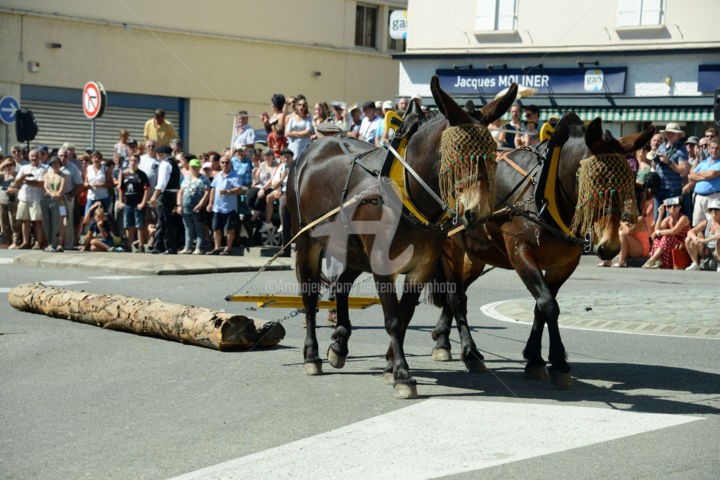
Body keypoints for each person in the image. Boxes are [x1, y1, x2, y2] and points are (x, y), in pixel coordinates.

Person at [206, 155, 245, 255]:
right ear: (220, 164)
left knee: (229, 229)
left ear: (230, 164)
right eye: (222, 162)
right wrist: (210, 203)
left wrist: (228, 191)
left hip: (229, 208)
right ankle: (217, 248)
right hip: (217, 207)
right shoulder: (218, 175)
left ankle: (228, 248)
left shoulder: (235, 175)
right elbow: (213, 190)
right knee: (216, 228)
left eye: (227, 162)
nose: (225, 164)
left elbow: (239, 189)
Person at [147, 145, 180, 254]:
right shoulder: (174, 163)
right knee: (164, 220)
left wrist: (154, 196)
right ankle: (159, 245)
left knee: (165, 221)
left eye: (157, 154)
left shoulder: (165, 164)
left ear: (161, 154)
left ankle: (169, 247)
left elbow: (161, 183)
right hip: (172, 195)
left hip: (165, 195)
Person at [653, 123, 689, 220]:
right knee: (657, 220)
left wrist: (668, 162)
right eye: (668, 132)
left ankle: (667, 235)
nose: (670, 134)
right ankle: (658, 235)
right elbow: (655, 166)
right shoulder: (661, 147)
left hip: (672, 191)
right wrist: (654, 160)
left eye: (673, 133)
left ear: (678, 135)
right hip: (659, 189)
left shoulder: (681, 150)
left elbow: (684, 171)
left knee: (670, 220)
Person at [642, 196, 690, 269]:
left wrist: (658, 232)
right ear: (667, 208)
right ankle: (658, 259)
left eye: (675, 205)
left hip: (681, 245)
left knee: (667, 237)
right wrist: (660, 214)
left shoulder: (683, 218)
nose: (672, 207)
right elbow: (657, 229)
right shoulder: (668, 219)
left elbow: (674, 231)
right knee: (658, 239)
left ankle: (652, 259)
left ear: (679, 207)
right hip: (671, 244)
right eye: (670, 206)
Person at [176, 158, 211, 254]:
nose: (194, 169)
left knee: (198, 227)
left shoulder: (204, 179)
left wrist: (200, 204)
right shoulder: (186, 178)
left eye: (196, 167)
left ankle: (198, 247)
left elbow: (207, 192)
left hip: (197, 208)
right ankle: (188, 247)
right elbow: (180, 192)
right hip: (186, 207)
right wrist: (179, 205)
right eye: (193, 167)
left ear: (199, 167)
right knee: (188, 227)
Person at [117, 153, 150, 252]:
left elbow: (147, 189)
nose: (133, 163)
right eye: (131, 160)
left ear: (138, 162)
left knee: (139, 226)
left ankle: (141, 245)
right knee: (128, 225)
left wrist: (143, 203)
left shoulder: (142, 175)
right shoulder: (125, 174)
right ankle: (128, 245)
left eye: (135, 161)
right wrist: (121, 202)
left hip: (138, 204)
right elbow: (121, 189)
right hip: (128, 204)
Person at [14, 148, 45, 249]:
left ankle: (37, 243)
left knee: (37, 222)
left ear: (39, 157)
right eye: (32, 156)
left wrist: (26, 181)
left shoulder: (43, 168)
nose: (34, 158)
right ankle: (25, 242)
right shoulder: (24, 168)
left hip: (36, 198)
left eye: (36, 156)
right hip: (24, 197)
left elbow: (40, 184)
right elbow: (16, 182)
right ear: (29, 157)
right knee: (25, 221)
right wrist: (23, 177)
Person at [685, 138, 720, 227]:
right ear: (708, 149)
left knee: (712, 225)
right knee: (697, 225)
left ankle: (710, 241)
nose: (714, 150)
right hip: (699, 197)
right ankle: (700, 241)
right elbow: (690, 175)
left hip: (713, 197)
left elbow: (712, 174)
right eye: (712, 148)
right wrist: (697, 160)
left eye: (717, 148)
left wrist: (697, 175)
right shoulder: (705, 161)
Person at [684, 199, 720, 271]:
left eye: (716, 209)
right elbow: (690, 231)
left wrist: (705, 240)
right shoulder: (706, 222)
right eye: (711, 209)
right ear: (709, 212)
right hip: (707, 249)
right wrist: (695, 238)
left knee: (718, 242)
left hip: (718, 249)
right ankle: (695, 264)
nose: (713, 211)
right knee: (688, 239)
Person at [43, 156, 67, 252]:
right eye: (53, 163)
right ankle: (51, 243)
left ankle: (60, 244)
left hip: (59, 201)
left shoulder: (63, 176)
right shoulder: (47, 175)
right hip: (49, 200)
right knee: (49, 222)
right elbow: (46, 187)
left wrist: (56, 195)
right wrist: (50, 194)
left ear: (60, 165)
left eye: (57, 163)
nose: (55, 165)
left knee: (60, 223)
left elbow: (61, 190)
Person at [246, 149, 277, 223]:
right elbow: (257, 180)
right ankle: (256, 217)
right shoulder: (262, 164)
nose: (267, 157)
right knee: (249, 196)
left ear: (273, 156)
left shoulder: (276, 165)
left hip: (271, 186)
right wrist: (254, 174)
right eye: (265, 156)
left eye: (269, 155)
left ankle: (253, 219)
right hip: (261, 185)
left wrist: (263, 189)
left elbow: (271, 180)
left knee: (260, 198)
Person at [84, 151, 113, 217]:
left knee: (104, 217)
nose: (97, 159)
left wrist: (102, 185)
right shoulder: (88, 169)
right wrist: (87, 185)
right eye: (95, 158)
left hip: (103, 197)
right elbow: (85, 182)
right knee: (88, 216)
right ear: (91, 159)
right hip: (91, 197)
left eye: (99, 158)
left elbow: (111, 184)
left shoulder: (105, 169)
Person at [0, 156, 21, 248]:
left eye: (11, 164)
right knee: (4, 223)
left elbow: (24, 189)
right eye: (7, 165)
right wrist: (2, 165)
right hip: (2, 201)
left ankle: (15, 241)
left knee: (14, 223)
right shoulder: (2, 175)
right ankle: (7, 241)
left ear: (14, 166)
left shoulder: (18, 176)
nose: (9, 166)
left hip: (13, 202)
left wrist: (15, 190)